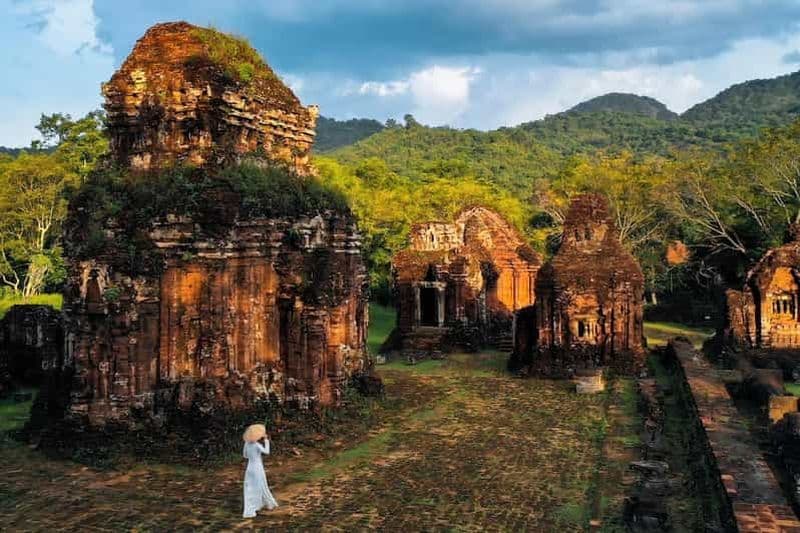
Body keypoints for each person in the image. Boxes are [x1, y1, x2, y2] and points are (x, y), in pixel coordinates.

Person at [242, 423, 278, 518]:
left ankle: (251, 507)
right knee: (260, 485)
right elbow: (267, 452)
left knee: (249, 487)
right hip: (257, 467)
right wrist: (266, 441)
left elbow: (245, 455)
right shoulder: (256, 445)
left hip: (249, 468)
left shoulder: (246, 444)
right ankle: (260, 504)